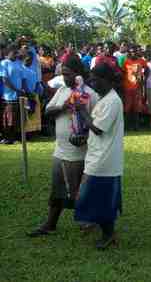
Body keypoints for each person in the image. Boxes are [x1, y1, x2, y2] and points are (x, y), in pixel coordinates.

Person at [27, 55, 98, 237]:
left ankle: (87, 222)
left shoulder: (90, 94)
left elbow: (98, 126)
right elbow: (48, 111)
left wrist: (85, 136)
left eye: (67, 74)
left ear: (78, 73)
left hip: (78, 154)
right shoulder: (62, 91)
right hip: (60, 151)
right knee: (57, 189)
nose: (64, 77)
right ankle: (50, 224)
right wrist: (64, 106)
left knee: (77, 191)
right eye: (62, 73)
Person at [74, 63, 124, 250]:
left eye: (96, 79)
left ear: (107, 80)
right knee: (97, 197)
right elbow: (95, 130)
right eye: (91, 78)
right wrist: (83, 138)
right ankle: (106, 232)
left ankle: (109, 234)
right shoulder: (105, 99)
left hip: (105, 159)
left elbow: (98, 128)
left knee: (100, 199)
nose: (92, 82)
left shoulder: (112, 101)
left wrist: (81, 110)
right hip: (98, 155)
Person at [0, 45, 26, 144]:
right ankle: (7, 138)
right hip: (8, 96)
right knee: (8, 118)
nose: (16, 55)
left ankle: (14, 138)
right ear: (8, 52)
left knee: (17, 117)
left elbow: (23, 78)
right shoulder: (4, 63)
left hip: (19, 95)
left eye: (17, 53)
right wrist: (16, 89)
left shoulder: (19, 63)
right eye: (14, 53)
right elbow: (5, 80)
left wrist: (22, 89)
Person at [122, 46, 147, 131]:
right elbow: (123, 73)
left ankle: (136, 126)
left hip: (137, 88)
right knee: (127, 108)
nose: (133, 53)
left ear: (137, 52)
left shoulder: (142, 61)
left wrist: (142, 79)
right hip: (127, 88)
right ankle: (126, 126)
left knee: (137, 108)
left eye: (134, 51)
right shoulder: (126, 62)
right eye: (131, 51)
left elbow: (146, 71)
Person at [22, 54, 43, 134]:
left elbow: (37, 83)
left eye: (30, 60)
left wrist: (36, 92)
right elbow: (22, 83)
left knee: (34, 114)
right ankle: (26, 132)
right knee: (26, 113)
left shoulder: (33, 71)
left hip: (34, 94)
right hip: (25, 95)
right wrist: (28, 93)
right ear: (23, 60)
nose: (29, 62)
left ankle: (34, 131)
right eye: (27, 60)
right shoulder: (21, 70)